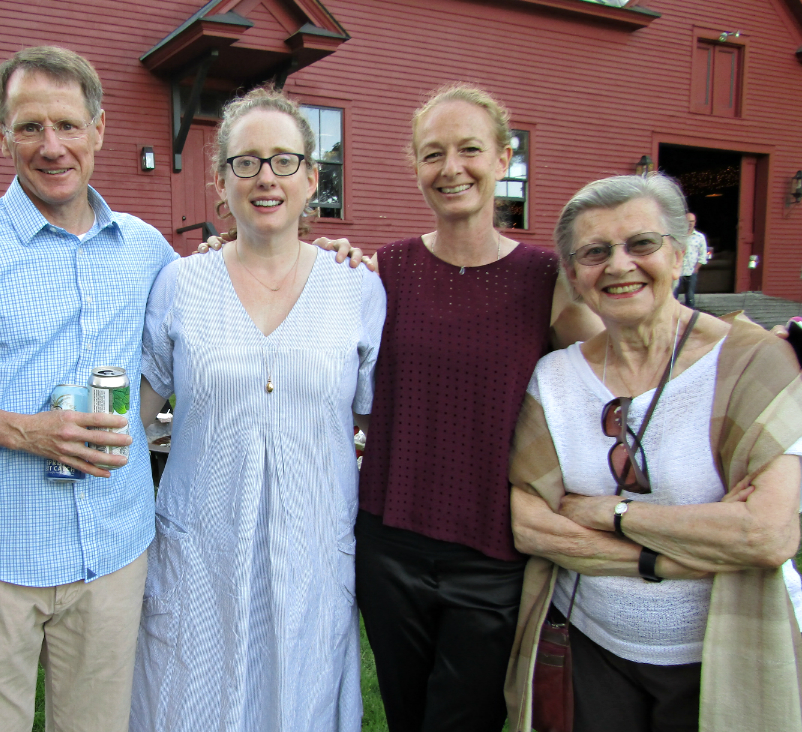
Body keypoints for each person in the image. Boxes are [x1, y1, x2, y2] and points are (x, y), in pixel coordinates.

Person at [0, 47, 175, 732]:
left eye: (69, 126)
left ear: (99, 129)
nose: (52, 147)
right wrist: (27, 431)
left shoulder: (145, 250)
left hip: (112, 550)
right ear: (1, 133)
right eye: (29, 127)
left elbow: (210, 315)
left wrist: (330, 258)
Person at [506, 173, 802, 732]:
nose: (618, 266)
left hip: (721, 648)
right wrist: (667, 557)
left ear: (681, 251)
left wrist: (607, 512)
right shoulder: (556, 378)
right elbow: (531, 526)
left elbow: (767, 534)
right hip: (592, 648)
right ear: (572, 273)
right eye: (594, 252)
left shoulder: (756, 364)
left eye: (641, 244)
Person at [130, 86, 386, 732]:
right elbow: (134, 415)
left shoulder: (356, 287)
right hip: (199, 551)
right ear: (220, 182)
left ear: (311, 179)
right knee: (191, 699)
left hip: (311, 553)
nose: (265, 177)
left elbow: (373, 420)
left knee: (299, 699)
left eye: (283, 160)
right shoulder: (181, 285)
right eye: (246, 162)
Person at [353, 83, 602, 732]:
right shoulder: (384, 271)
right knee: (408, 716)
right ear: (414, 168)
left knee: (467, 720)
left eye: (469, 149)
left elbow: (614, 370)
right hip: (390, 541)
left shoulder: (547, 281)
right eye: (432, 154)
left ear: (503, 157)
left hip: (491, 554)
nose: (451, 168)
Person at [675, 212, 707, 307]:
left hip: (691, 271)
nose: (690, 224)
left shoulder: (700, 237)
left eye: (692, 221)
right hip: (677, 271)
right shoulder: (676, 236)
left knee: (690, 296)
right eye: (687, 221)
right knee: (673, 295)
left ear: (695, 222)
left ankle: (690, 317)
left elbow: (703, 255)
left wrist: (696, 269)